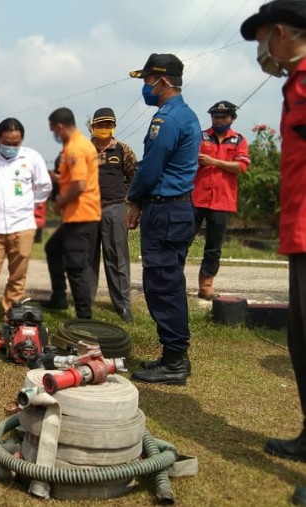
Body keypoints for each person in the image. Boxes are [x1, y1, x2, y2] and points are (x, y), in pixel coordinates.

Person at [241, 3, 306, 504]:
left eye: (261, 39)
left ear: (280, 32)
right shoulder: (294, 84)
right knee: (300, 342)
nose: (260, 51)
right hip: (299, 233)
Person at [125, 53, 201, 385]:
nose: (145, 88)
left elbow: (150, 168)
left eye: (147, 81)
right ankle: (172, 355)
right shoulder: (186, 115)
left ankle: (175, 360)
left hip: (166, 210)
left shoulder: (166, 120)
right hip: (175, 209)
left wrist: (134, 200)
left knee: (163, 285)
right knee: (165, 283)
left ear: (163, 81)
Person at [0, 118, 52, 325]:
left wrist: (30, 203)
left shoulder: (31, 158)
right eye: (7, 142)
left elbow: (44, 186)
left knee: (18, 272)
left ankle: (10, 309)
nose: (12, 147)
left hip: (23, 226)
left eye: (16, 143)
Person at [44, 108, 101, 319]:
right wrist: (56, 178)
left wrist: (59, 202)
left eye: (53, 130)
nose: (54, 135)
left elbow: (79, 184)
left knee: (76, 268)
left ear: (59, 127)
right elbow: (75, 179)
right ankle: (59, 297)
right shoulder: (84, 143)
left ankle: (84, 317)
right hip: (78, 215)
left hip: (81, 215)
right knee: (53, 248)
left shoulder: (75, 148)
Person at [192, 101, 251, 300]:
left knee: (213, 246)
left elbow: (241, 167)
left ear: (232, 118)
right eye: (215, 117)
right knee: (182, 240)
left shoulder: (239, 140)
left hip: (222, 201)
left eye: (223, 117)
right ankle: (172, 282)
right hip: (196, 198)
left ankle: (206, 285)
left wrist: (213, 162)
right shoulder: (200, 136)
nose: (219, 120)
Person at [88, 107, 138, 323]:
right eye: (100, 125)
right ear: (93, 127)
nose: (104, 128)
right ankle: (85, 303)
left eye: (108, 124)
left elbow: (135, 176)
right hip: (87, 209)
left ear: (113, 126)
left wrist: (132, 204)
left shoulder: (123, 150)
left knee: (117, 258)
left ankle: (123, 305)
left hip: (114, 208)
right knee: (87, 258)